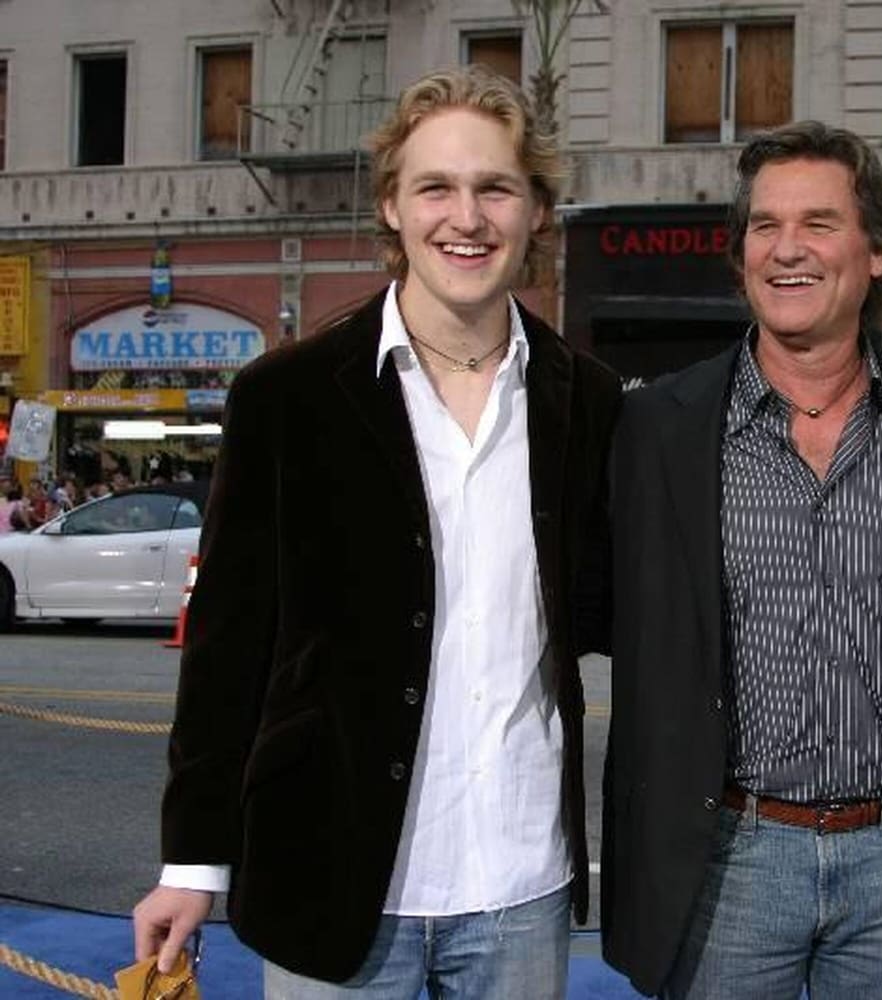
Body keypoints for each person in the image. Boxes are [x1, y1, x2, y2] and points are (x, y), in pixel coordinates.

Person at [131, 66, 619, 998]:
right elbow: (230, 647)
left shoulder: (586, 400)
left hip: (521, 889)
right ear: (392, 207)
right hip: (333, 882)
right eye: (435, 186)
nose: (465, 218)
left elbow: (606, 610)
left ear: (537, 213)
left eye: (495, 189)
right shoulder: (287, 396)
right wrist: (193, 862)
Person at [602, 121, 882, 999]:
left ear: (879, 253)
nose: (787, 249)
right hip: (729, 858)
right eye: (764, 226)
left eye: (818, 222)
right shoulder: (658, 427)